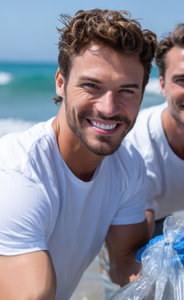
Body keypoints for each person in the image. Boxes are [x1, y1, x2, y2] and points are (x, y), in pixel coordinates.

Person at [0, 9, 158, 299]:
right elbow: (34, 294)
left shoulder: (129, 165)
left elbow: (123, 264)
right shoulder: (17, 173)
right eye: (92, 86)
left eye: (126, 91)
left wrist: (160, 265)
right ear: (61, 82)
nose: (109, 108)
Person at [100, 23, 184, 298]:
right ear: (162, 84)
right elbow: (125, 266)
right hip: (117, 224)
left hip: (164, 217)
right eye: (182, 80)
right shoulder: (137, 150)